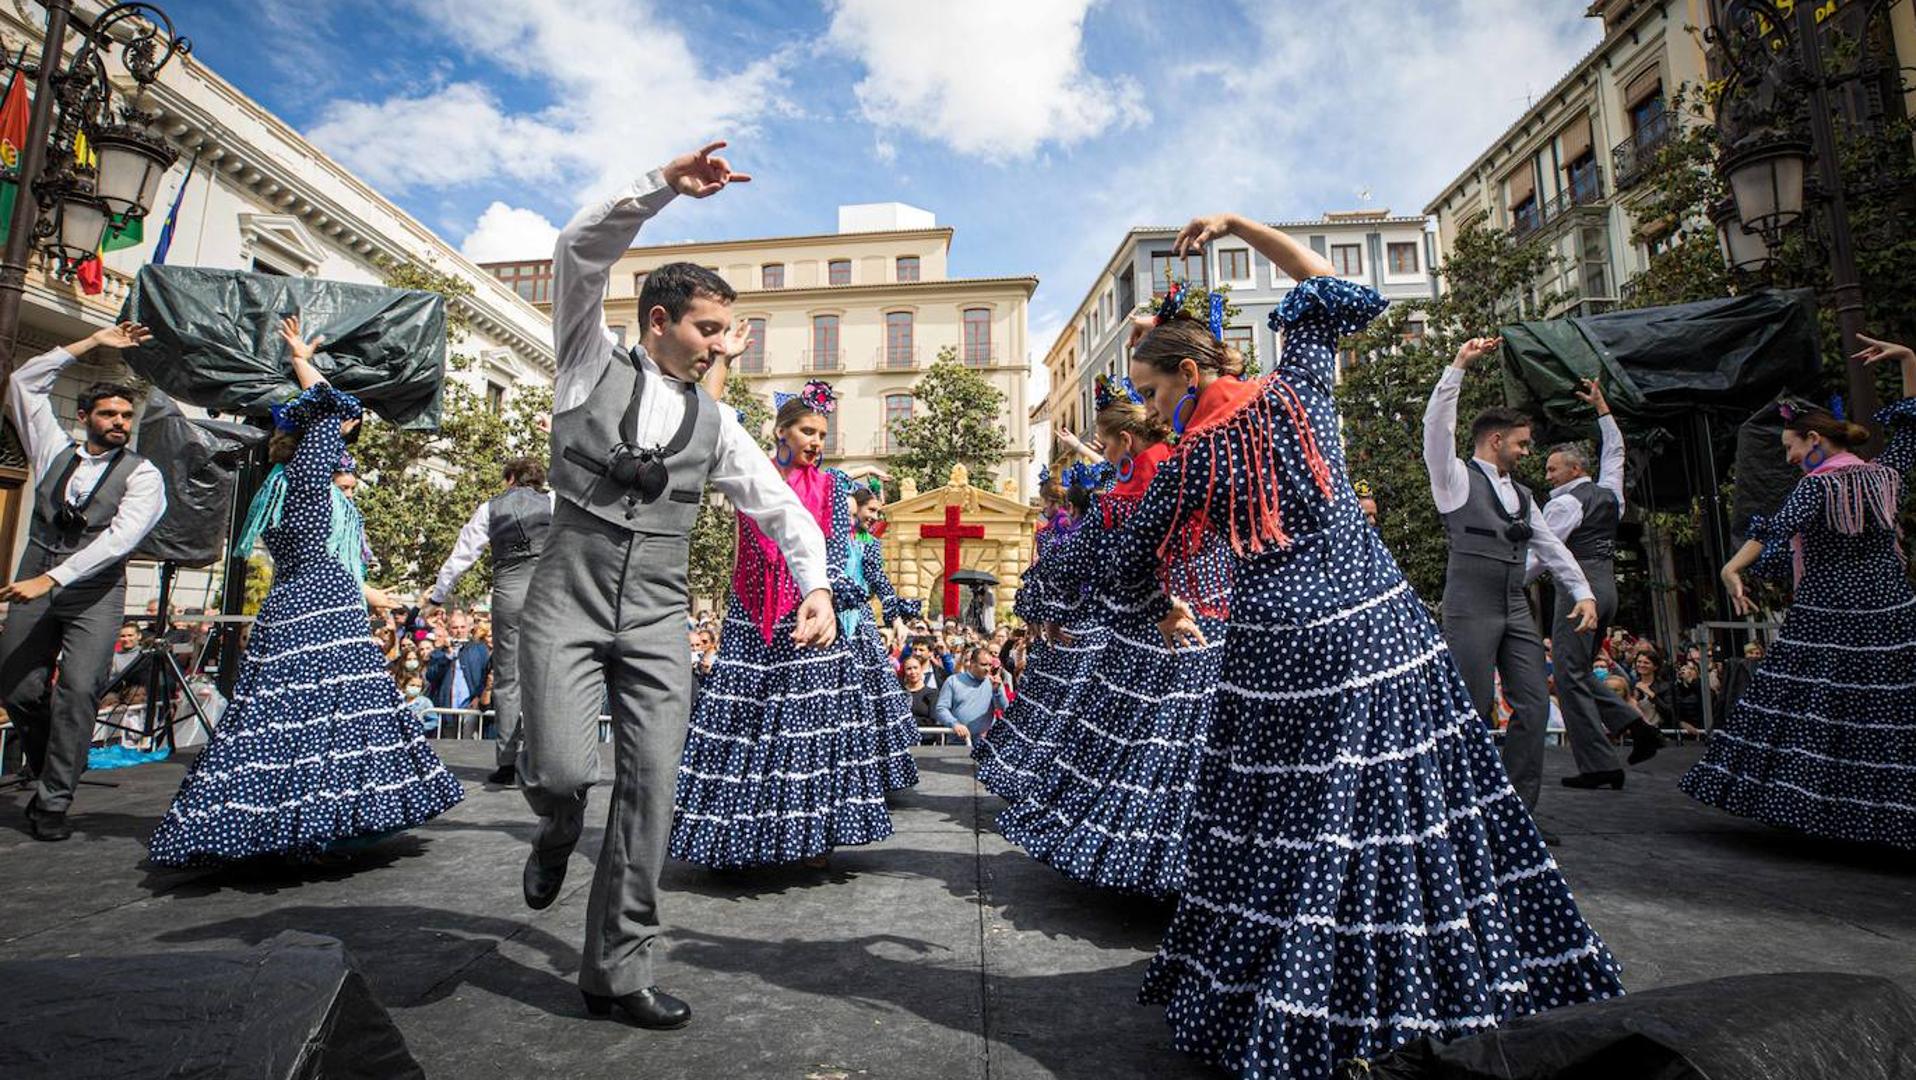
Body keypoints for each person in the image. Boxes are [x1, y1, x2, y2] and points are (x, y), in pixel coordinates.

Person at [1102, 213, 1620, 1076]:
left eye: (1153, 393)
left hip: (1278, 656)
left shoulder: (1189, 460)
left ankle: (1301, 998)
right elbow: (1337, 288)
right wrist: (1238, 222)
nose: (1153, 410)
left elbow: (1122, 558)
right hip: (1378, 630)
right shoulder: (1298, 388)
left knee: (1293, 827)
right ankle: (1426, 988)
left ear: (1189, 374)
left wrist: (1164, 605)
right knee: (1404, 813)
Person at [516, 142, 837, 1032]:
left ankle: (616, 971)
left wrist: (818, 587)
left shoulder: (721, 422)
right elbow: (578, 248)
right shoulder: (586, 361)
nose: (718, 345)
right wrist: (662, 187)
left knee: (652, 787)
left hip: (657, 615)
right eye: (706, 329)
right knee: (561, 770)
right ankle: (553, 826)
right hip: (566, 598)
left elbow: (780, 510)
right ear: (659, 321)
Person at [148, 316, 462, 866]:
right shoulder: (311, 480)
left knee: (281, 718)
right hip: (321, 611)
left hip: (292, 608)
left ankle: (272, 825)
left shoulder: (286, 488)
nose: (353, 427)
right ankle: (315, 824)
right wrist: (300, 360)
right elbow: (336, 406)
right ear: (320, 445)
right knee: (329, 716)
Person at [1681, 333, 1916, 849]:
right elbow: (1910, 432)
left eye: (1790, 447)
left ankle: (1820, 811)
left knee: (1814, 707)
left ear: (1813, 440)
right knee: (1887, 713)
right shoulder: (1883, 476)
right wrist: (1908, 362)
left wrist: (1731, 568)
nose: (1787, 458)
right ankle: (1884, 817)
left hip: (1829, 611)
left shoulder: (1820, 485)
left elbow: (1775, 530)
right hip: (1890, 609)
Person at [997, 374, 1223, 896]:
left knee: (1135, 752)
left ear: (1124, 441)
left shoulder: (1125, 494)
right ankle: (1190, 873)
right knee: (1185, 754)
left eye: (1103, 437)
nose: (1099, 446)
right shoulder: (1190, 466)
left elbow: (1073, 560)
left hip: (1145, 634)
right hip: (1209, 629)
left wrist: (1044, 609)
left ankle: (1134, 862)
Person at [671, 381, 895, 869]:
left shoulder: (835, 487)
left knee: (808, 735)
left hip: (810, 617)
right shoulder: (753, 472)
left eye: (821, 433)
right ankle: (738, 838)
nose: (816, 441)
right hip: (751, 614)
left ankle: (810, 838)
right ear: (782, 431)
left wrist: (827, 597)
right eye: (806, 431)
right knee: (744, 727)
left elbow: (836, 548)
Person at [1, 322, 166, 842]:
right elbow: (25, 382)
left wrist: (53, 578)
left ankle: (53, 801)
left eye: (125, 415)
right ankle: (54, 761)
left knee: (78, 692)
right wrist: (92, 343)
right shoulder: (53, 450)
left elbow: (118, 540)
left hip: (92, 590)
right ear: (85, 418)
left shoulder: (143, 474)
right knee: (18, 689)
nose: (119, 422)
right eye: (109, 414)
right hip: (36, 577)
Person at [1424, 338, 1598, 829]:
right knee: (1472, 709)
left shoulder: (1523, 494)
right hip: (1469, 606)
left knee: (1535, 703)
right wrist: (1457, 366)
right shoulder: (1453, 478)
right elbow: (1437, 428)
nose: (1526, 451)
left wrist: (1582, 592)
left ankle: (1516, 813)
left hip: (1514, 604)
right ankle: (1464, 813)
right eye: (1521, 443)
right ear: (1496, 440)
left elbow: (1551, 547)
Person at [1533, 380, 1663, 793]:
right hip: (1608, 588)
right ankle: (1635, 729)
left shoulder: (1564, 503)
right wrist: (1603, 410)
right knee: (1578, 672)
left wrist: (1507, 580)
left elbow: (1546, 553)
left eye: (1553, 469)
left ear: (1575, 470)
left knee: (1569, 677)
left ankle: (1601, 762)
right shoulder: (1609, 496)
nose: (1547, 475)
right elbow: (1616, 455)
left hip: (1578, 594)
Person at [971, 462, 1112, 800]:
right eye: (1047, 503)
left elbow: (1051, 579)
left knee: (1060, 710)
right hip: (1077, 632)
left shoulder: (1065, 535)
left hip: (1073, 632)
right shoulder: (1064, 533)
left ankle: (1045, 781)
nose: (1047, 510)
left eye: (1052, 504)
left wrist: (1044, 617)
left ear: (1069, 507)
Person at [425, 456, 553, 785]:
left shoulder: (490, 508)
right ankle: (547, 760)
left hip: (509, 594)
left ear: (510, 478)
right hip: (547, 593)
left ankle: (507, 763)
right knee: (549, 676)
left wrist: (439, 595)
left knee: (509, 679)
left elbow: (462, 555)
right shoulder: (555, 502)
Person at [842, 485, 922, 791]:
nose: (874, 518)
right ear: (854, 507)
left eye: (878, 512)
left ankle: (869, 776)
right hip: (832, 620)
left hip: (859, 624)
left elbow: (878, 579)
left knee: (870, 699)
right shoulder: (830, 538)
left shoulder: (868, 543)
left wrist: (896, 618)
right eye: (871, 511)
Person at [934, 646, 1008, 741]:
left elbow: (1003, 708)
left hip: (984, 741)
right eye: (984, 665)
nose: (987, 669)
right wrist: (954, 724)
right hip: (958, 740)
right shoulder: (953, 681)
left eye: (990, 665)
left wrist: (997, 691)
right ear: (972, 663)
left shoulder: (994, 683)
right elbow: (941, 709)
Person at [899, 654, 940, 737]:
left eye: (915, 668)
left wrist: (907, 720)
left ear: (921, 669)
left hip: (925, 742)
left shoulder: (932, 693)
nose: (913, 672)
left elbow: (933, 720)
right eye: (909, 669)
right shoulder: (899, 693)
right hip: (903, 739)